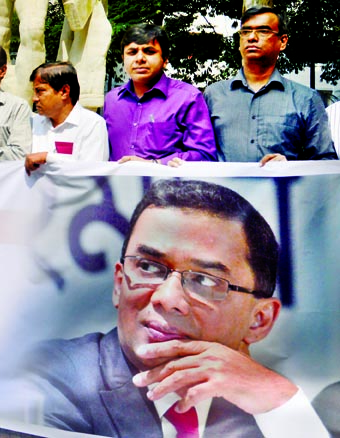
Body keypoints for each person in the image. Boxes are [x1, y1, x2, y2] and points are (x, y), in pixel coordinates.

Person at [25, 179, 329, 437]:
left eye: (206, 281)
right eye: (147, 266)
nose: (166, 298)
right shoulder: (50, 376)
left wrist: (282, 402)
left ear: (259, 320)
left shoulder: (266, 403)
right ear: (119, 283)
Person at [205, 6, 337, 164]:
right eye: (245, 31)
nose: (252, 37)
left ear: (283, 41)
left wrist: (290, 168)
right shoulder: (213, 95)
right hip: (223, 189)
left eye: (263, 31)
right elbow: (199, 152)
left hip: (283, 188)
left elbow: (325, 161)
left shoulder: (306, 99)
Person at [105, 24, 216, 166]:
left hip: (169, 186)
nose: (139, 58)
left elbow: (204, 155)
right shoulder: (112, 100)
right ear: (123, 58)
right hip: (118, 187)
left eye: (149, 51)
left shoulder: (188, 98)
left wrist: (154, 164)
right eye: (132, 52)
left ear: (165, 60)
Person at [24, 61, 108, 174]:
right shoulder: (32, 123)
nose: (34, 99)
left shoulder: (92, 124)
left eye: (40, 91)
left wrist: (48, 158)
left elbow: (92, 173)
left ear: (64, 91)